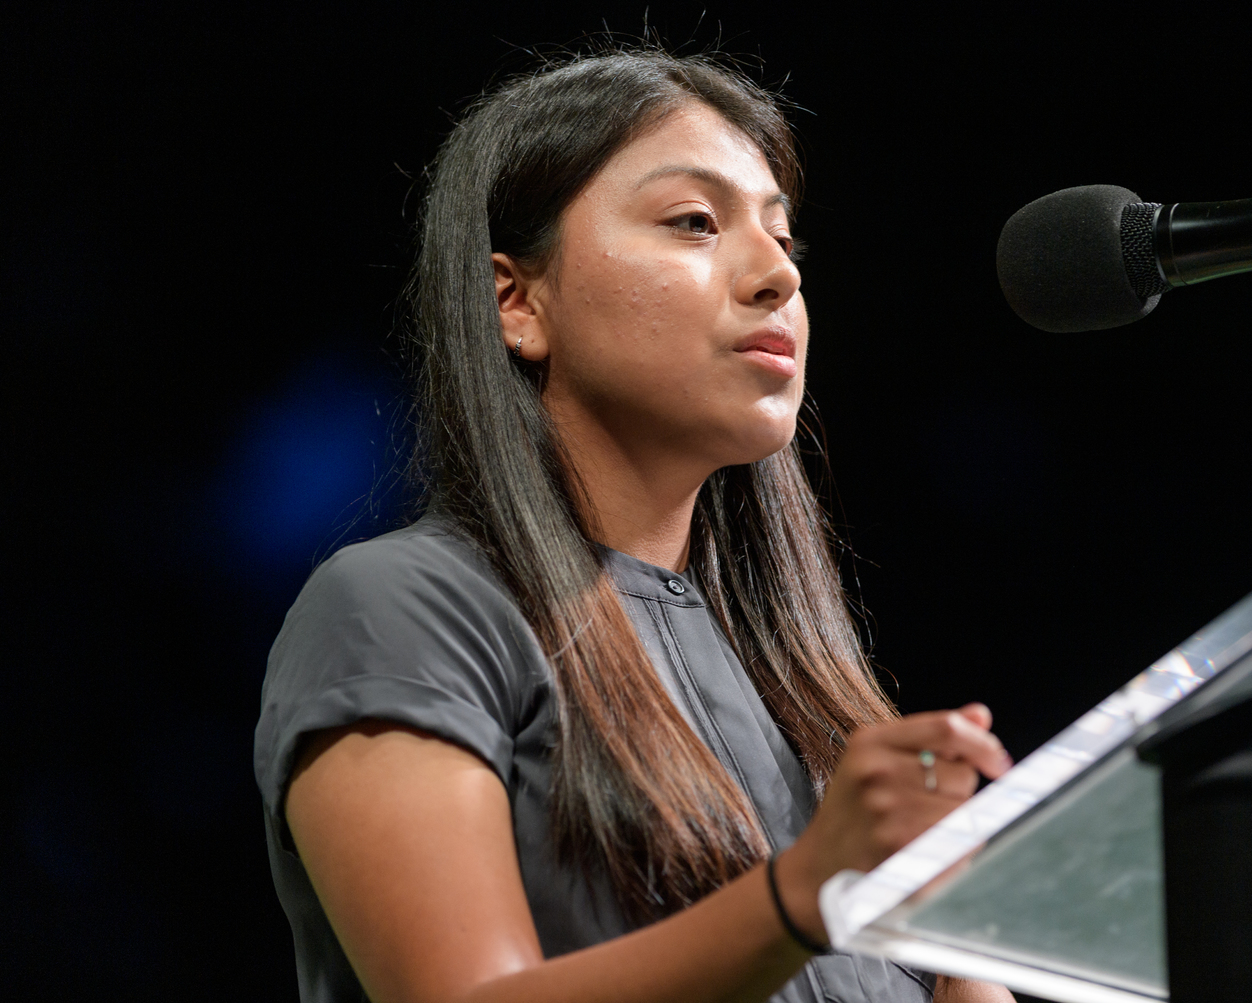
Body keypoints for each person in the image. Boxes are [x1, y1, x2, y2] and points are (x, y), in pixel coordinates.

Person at [254, 47, 1015, 1003]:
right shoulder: (406, 607)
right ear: (516, 302)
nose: (777, 274)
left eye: (788, 243)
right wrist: (799, 894)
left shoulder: (804, 691)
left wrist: (972, 937)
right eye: (694, 222)